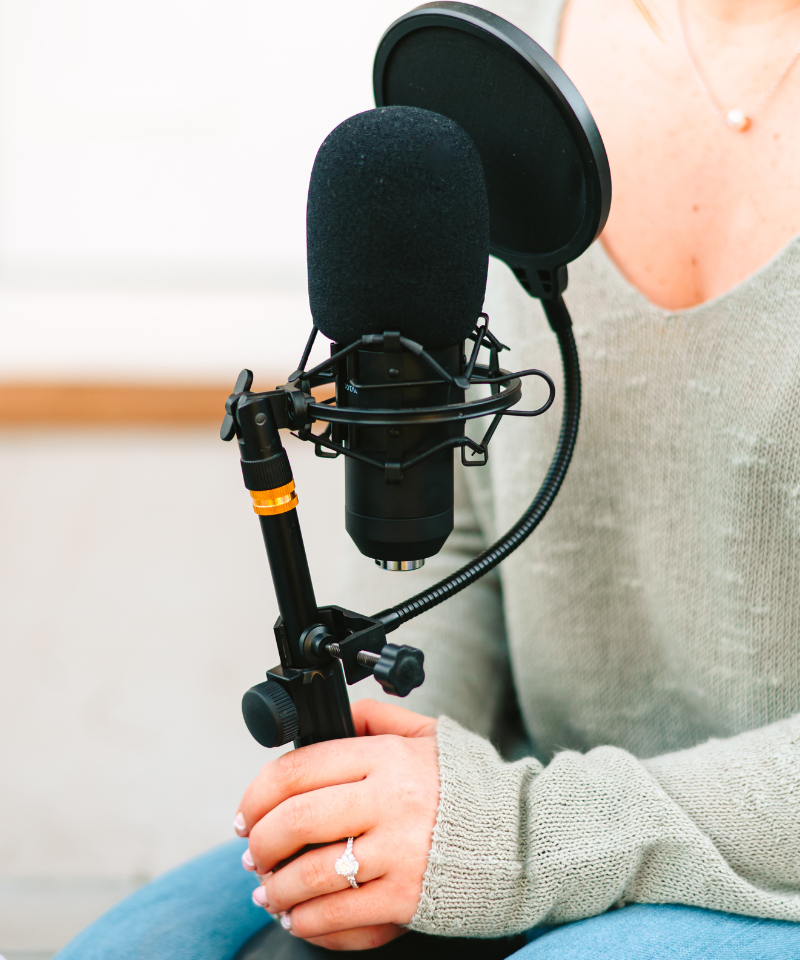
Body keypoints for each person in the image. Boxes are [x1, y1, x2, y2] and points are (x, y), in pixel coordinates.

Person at [56, 0, 800, 956]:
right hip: (531, 799)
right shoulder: (507, 63)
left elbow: (516, 834)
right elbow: (469, 516)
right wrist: (382, 809)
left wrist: (509, 837)